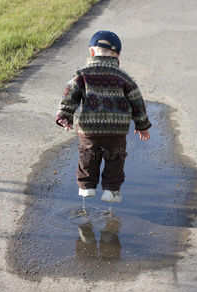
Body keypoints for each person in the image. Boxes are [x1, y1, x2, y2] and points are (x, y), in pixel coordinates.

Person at [56, 30, 152, 203]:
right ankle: (111, 190)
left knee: (87, 155)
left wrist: (65, 115)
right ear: (118, 55)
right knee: (115, 158)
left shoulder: (82, 74)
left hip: (89, 128)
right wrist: (142, 124)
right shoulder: (123, 77)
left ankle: (87, 187)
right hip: (116, 130)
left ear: (91, 52)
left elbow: (70, 94)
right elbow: (137, 101)